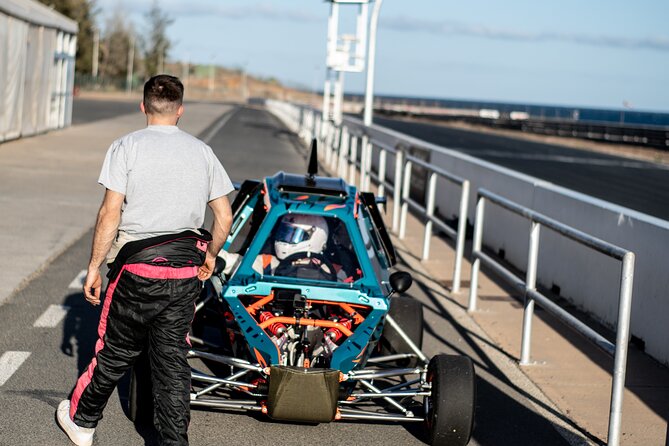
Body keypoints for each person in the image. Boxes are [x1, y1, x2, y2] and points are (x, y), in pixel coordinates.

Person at [55, 75, 234, 446]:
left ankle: (82, 421)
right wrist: (211, 256)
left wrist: (94, 267)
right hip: (186, 271)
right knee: (172, 360)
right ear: (180, 110)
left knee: (116, 349)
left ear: (143, 106)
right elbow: (224, 215)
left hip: (137, 268)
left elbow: (110, 213)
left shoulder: (126, 147)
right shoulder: (202, 152)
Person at [220, 214, 359, 282]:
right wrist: (217, 257)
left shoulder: (333, 271)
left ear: (316, 237)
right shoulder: (268, 262)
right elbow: (237, 262)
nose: (284, 240)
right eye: (284, 233)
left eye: (293, 235)